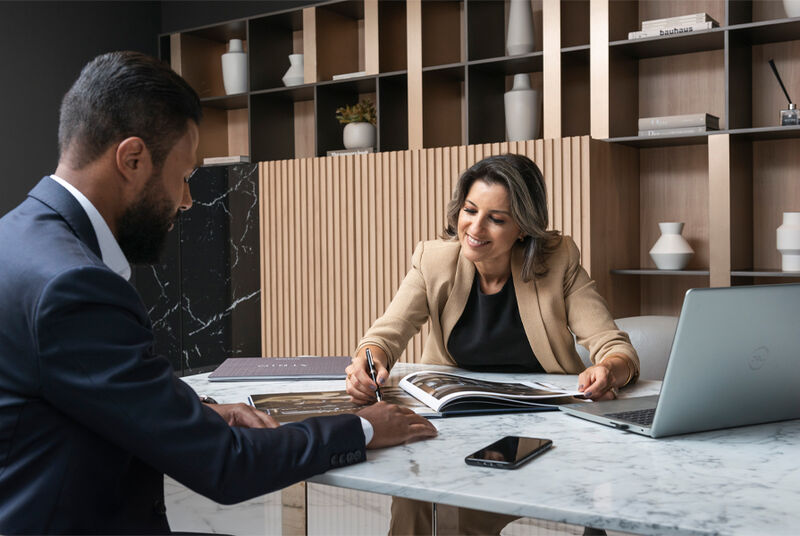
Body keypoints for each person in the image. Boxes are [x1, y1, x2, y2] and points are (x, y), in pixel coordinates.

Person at [0, 51, 437, 534]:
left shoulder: (16, 241)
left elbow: (77, 389)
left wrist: (200, 412)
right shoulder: (74, 286)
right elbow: (224, 466)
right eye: (185, 177)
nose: (188, 200)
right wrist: (366, 426)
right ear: (132, 159)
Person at [345, 153, 639, 535]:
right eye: (469, 210)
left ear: (523, 228)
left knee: (462, 511)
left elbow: (614, 347)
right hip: (453, 423)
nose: (475, 227)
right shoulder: (434, 261)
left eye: (496, 219)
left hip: (541, 430)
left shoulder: (558, 261)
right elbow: (383, 337)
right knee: (413, 494)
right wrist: (368, 362)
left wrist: (608, 369)